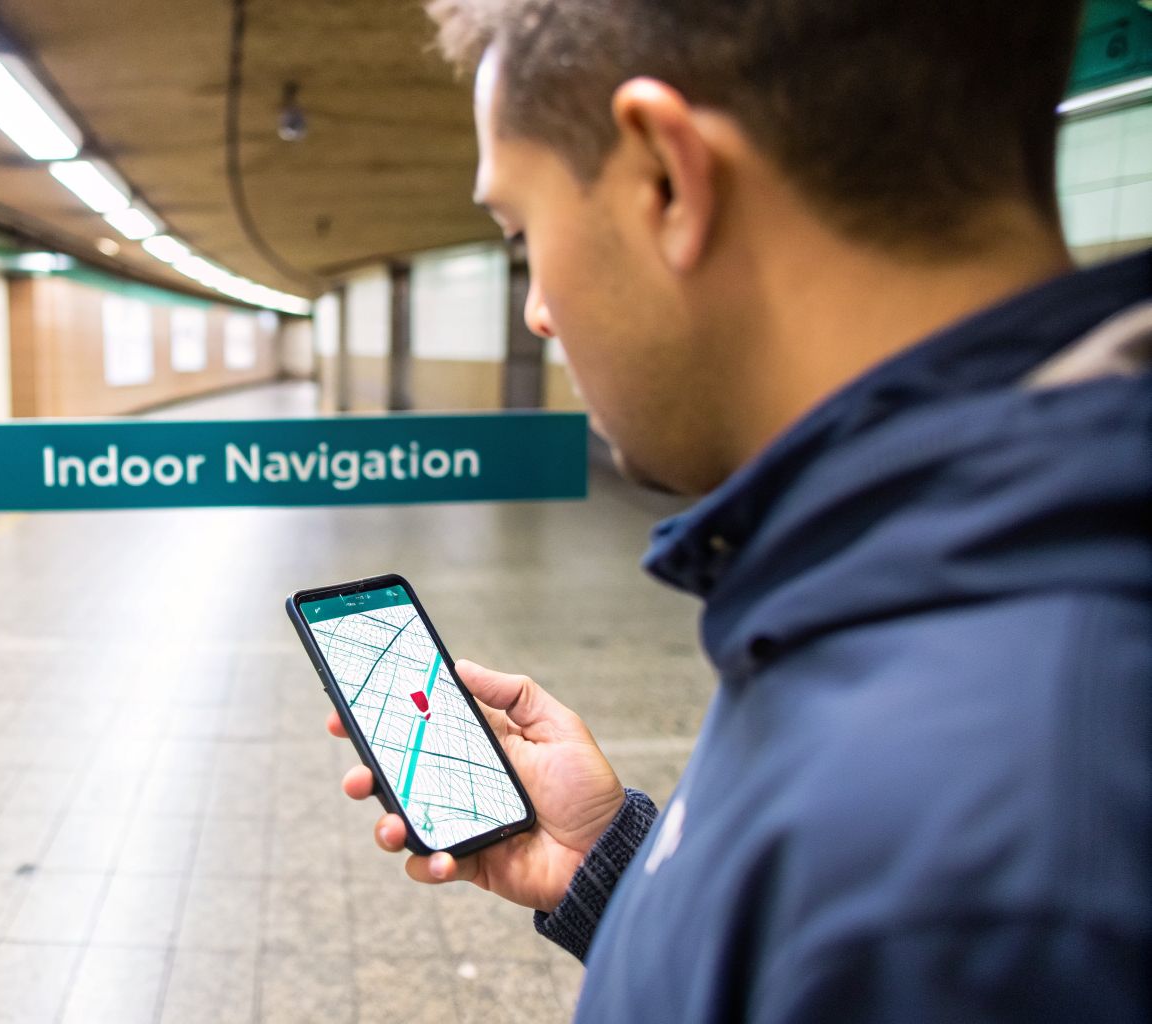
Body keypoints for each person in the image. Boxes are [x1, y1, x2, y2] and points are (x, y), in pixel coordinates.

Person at [328, 1, 1151, 1019]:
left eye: (521, 232)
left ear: (665, 177)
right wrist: (618, 873)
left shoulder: (985, 864)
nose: (537, 308)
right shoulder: (915, 586)